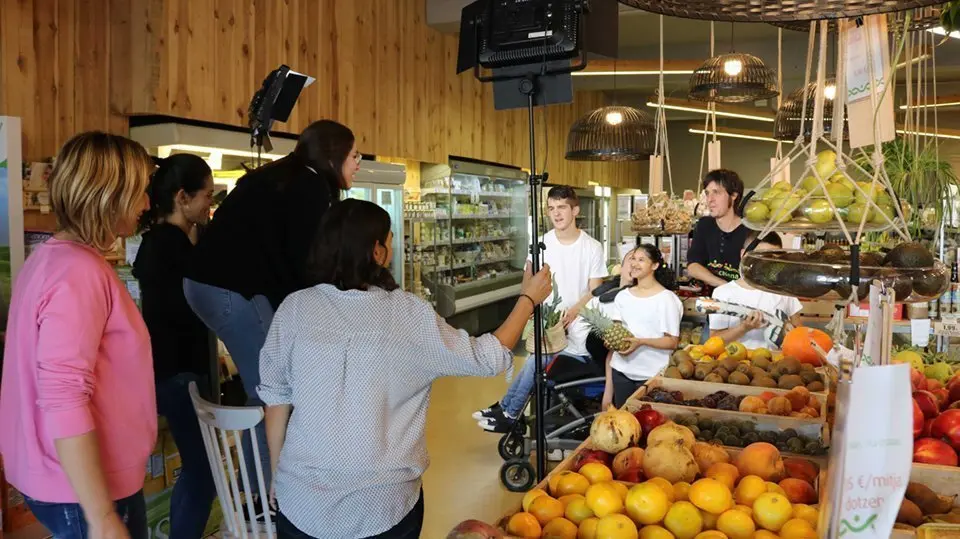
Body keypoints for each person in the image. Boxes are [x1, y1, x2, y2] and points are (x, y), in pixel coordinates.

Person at [257, 199, 553, 539]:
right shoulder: (408, 315)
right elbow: (488, 356)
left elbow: (276, 399)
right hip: (385, 503)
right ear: (377, 252)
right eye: (389, 240)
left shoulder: (295, 308)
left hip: (302, 500)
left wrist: (279, 475)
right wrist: (528, 300)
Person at [183, 119, 360, 491]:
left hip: (208, 283)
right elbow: (299, 264)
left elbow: (284, 262)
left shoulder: (287, 176)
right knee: (272, 389)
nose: (358, 163)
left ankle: (258, 489)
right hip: (226, 288)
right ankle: (260, 497)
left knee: (269, 386)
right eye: (354, 154)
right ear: (333, 156)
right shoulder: (309, 188)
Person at [0, 132, 156, 539]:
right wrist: (102, 516)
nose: (146, 204)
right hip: (87, 486)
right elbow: (63, 396)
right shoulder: (78, 273)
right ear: (109, 196)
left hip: (72, 480)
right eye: (139, 192)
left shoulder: (51, 259)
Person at [473, 186, 607, 433]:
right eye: (551, 208)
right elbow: (529, 276)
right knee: (536, 359)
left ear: (575, 210)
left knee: (537, 361)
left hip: (576, 328)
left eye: (562, 207)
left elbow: (595, 289)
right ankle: (506, 409)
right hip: (546, 326)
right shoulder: (542, 243)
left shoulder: (592, 247)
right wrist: (529, 305)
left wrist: (575, 310)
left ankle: (509, 411)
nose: (556, 214)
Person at [132, 154, 216, 539]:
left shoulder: (160, 244)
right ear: (183, 197)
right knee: (203, 472)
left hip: (168, 370)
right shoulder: (174, 248)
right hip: (181, 373)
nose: (209, 206)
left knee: (198, 469)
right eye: (206, 197)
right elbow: (188, 311)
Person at [603, 244, 683, 408]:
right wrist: (609, 340)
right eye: (633, 259)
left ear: (654, 265)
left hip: (651, 376)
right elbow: (616, 330)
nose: (634, 263)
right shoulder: (623, 297)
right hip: (621, 372)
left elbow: (672, 341)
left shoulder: (666, 299)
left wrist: (640, 341)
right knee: (623, 424)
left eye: (641, 260)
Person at [709, 233, 803, 350]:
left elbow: (800, 334)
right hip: (735, 365)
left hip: (778, 364)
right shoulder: (723, 293)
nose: (767, 263)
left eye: (774, 258)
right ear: (744, 254)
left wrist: (789, 331)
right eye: (761, 256)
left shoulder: (784, 290)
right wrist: (743, 328)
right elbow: (714, 340)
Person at [687, 169, 749, 287]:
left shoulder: (750, 232)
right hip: (710, 301)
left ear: (734, 195)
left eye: (716, 192)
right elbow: (693, 266)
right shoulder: (704, 225)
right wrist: (725, 286)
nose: (710, 199)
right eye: (707, 193)